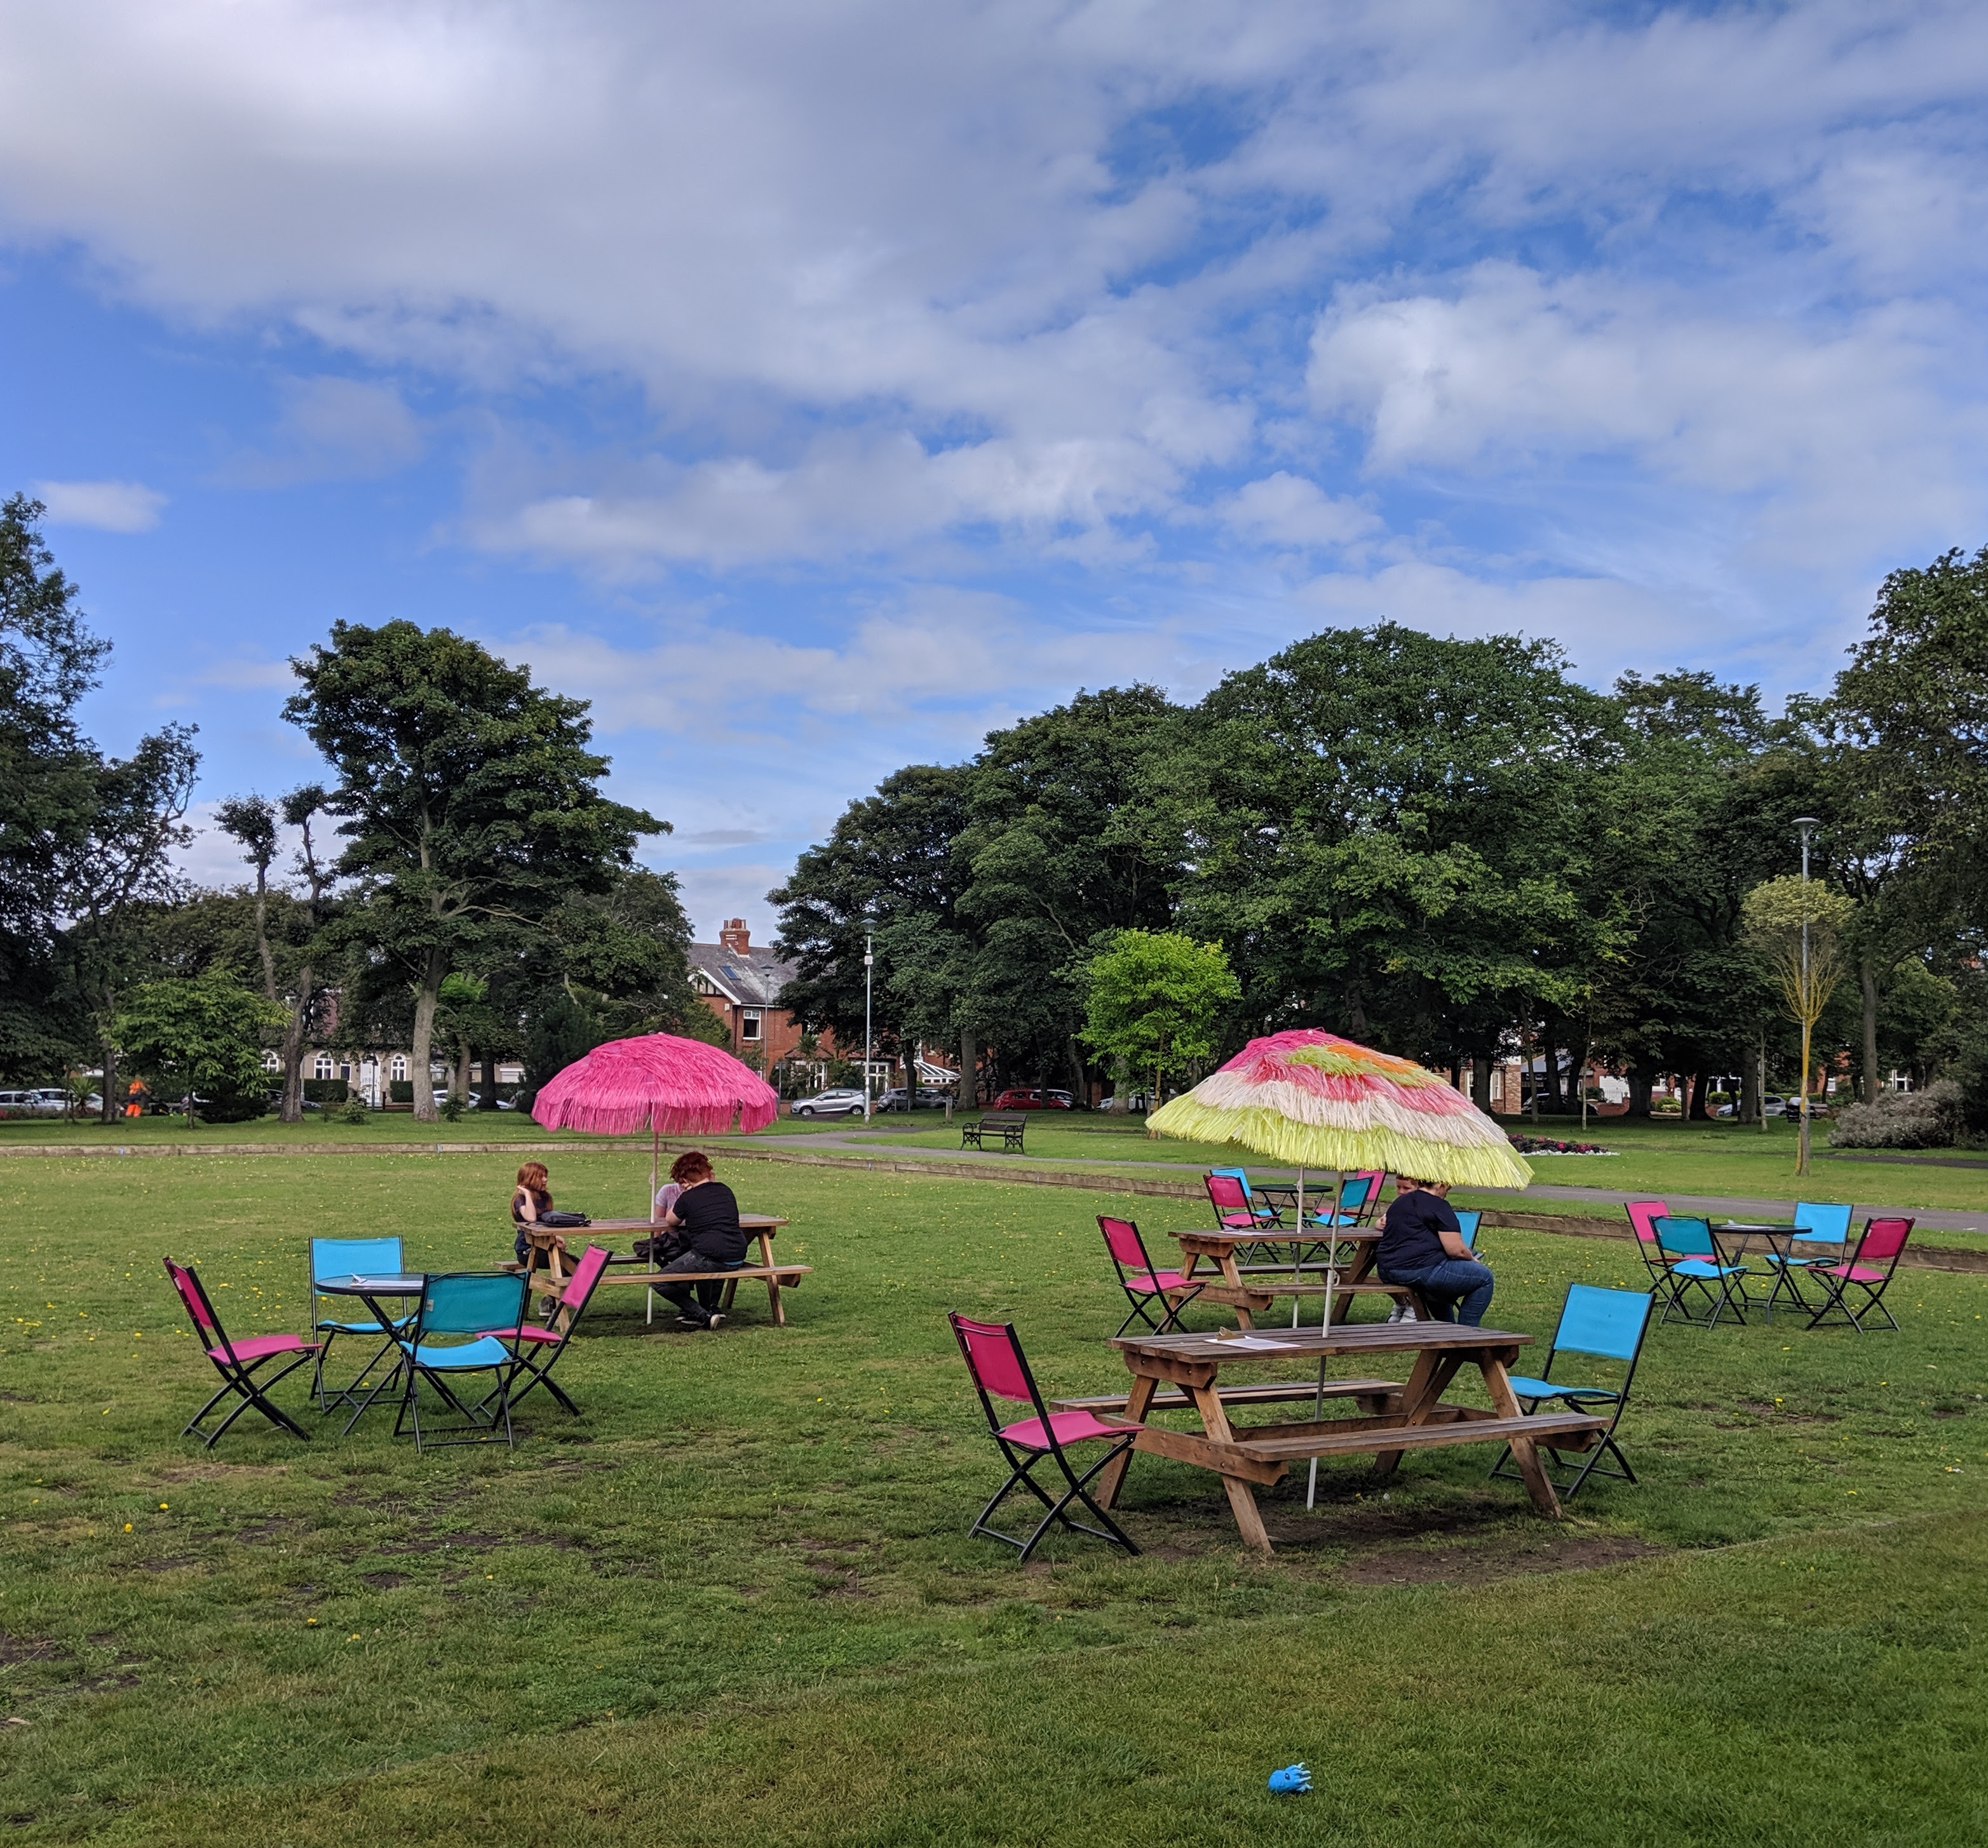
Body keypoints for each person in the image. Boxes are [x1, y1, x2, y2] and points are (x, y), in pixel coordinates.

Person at [1374, 1175, 1494, 1326]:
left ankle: (1444, 1328)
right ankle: (1467, 1331)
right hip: (1419, 1269)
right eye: (1447, 1189)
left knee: (1439, 1286)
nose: (1446, 1193)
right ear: (1440, 1185)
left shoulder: (1400, 1202)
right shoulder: (1439, 1205)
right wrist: (1472, 1259)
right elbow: (1456, 1250)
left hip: (1387, 1269)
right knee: (1484, 1277)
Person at [653, 1150, 746, 1331]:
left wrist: (684, 1195)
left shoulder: (687, 1198)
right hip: (737, 1256)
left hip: (709, 1256)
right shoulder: (725, 1190)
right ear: (708, 1172)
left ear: (684, 1181)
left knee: (659, 1281)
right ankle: (710, 1308)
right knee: (703, 1267)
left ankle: (702, 1315)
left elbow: (671, 1220)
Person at [511, 1161, 555, 1268]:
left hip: (545, 1246)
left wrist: (556, 1237)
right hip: (527, 1250)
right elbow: (531, 1218)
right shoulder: (520, 1200)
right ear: (529, 1179)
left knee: (576, 1264)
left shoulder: (545, 1198)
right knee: (568, 1264)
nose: (545, 1180)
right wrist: (528, 1195)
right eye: (541, 1177)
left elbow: (548, 1222)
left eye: (545, 1176)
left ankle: (570, 1285)